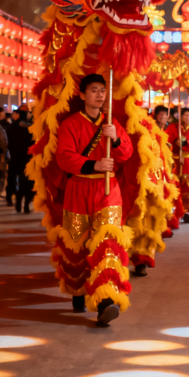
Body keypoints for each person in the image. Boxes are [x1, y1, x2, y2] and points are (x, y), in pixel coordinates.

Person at [54, 74, 133, 326]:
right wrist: (94, 163)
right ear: (82, 94)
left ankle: (105, 301)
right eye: (94, 90)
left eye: (102, 90)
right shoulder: (70, 124)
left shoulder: (112, 123)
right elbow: (64, 158)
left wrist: (117, 139)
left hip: (107, 190)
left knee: (108, 246)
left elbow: (126, 154)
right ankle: (77, 290)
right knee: (76, 244)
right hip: (77, 189)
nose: (99, 95)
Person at [166, 108, 189, 223]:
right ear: (180, 116)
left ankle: (188, 210)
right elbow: (166, 140)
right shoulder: (173, 127)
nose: (187, 117)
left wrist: (187, 142)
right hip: (175, 158)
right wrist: (174, 143)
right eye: (184, 115)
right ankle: (173, 210)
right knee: (174, 184)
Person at [6, 110, 34, 213]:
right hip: (27, 159)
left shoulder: (11, 127)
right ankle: (26, 205)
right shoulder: (29, 128)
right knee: (27, 182)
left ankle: (17, 201)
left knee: (13, 180)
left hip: (14, 158)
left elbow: (7, 142)